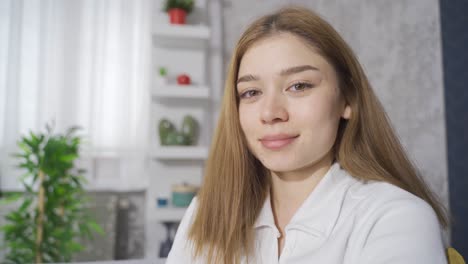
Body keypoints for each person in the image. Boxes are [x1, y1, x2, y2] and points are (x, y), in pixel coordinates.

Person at [166, 6, 448, 264]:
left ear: (347, 99)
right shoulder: (204, 214)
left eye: (298, 86)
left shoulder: (396, 218)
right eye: (251, 92)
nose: (270, 112)